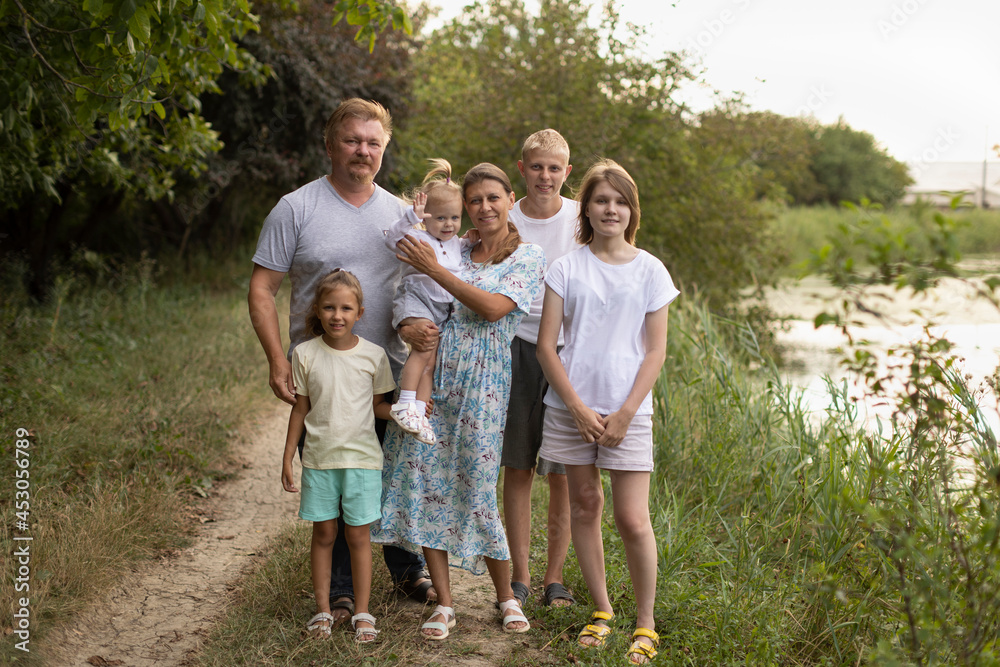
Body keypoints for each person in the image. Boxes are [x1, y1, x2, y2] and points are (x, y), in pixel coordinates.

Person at [248, 98, 436, 625]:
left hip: (389, 371)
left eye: (374, 143)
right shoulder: (296, 208)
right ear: (330, 145)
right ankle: (341, 591)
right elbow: (262, 287)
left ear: (385, 150)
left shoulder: (399, 214)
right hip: (324, 375)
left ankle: (406, 566)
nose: (363, 151)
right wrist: (276, 360)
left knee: (394, 472)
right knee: (333, 473)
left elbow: (432, 273)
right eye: (353, 140)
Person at [373, 163, 546, 640]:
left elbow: (492, 309)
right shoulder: (456, 247)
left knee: (475, 487)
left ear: (511, 199)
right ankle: (445, 603)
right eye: (475, 200)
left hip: (485, 385)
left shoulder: (528, 257)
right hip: (436, 375)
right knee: (428, 482)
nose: (484, 207)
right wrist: (407, 324)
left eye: (493, 197)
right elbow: (416, 293)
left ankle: (507, 596)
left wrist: (432, 269)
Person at [536, 159, 679, 664]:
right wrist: (576, 407)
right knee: (584, 506)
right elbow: (547, 347)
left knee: (632, 518)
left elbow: (656, 351)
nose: (610, 209)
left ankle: (646, 623)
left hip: (629, 411)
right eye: (601, 200)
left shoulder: (650, 270)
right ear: (587, 209)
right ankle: (602, 611)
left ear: (631, 210)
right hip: (572, 407)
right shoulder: (566, 267)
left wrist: (625, 413)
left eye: (620, 201)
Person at [280, 270, 394, 642]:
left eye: (346, 308)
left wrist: (403, 414)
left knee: (359, 536)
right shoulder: (305, 353)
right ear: (317, 309)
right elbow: (300, 409)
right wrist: (287, 458)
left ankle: (363, 612)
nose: (337, 315)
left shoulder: (374, 356)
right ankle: (324, 611)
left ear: (360, 312)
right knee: (325, 533)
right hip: (319, 459)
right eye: (329, 307)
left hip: (362, 461)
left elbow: (378, 407)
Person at [502, 129, 580, 609]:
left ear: (566, 173)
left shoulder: (580, 219)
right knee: (518, 465)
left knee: (562, 472)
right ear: (522, 169)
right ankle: (520, 575)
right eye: (536, 167)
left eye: (554, 168)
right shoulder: (506, 219)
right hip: (516, 345)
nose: (545, 176)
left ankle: (555, 579)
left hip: (570, 351)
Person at [384, 160, 466, 445]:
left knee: (430, 363)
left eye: (455, 218)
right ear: (427, 217)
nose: (448, 225)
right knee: (422, 348)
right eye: (441, 218)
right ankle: (405, 403)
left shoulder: (458, 243)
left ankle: (419, 413)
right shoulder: (416, 236)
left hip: (441, 309)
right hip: (416, 298)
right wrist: (410, 217)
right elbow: (390, 240)